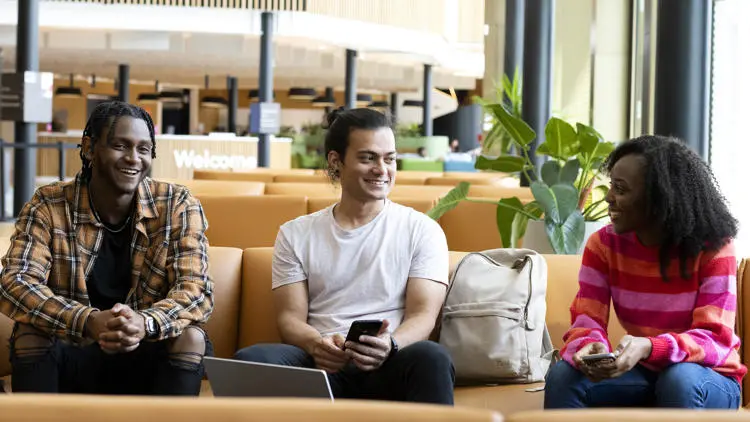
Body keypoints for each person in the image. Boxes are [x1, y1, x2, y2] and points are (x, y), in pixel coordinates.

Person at [234, 107, 455, 405]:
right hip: (322, 365)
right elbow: (289, 318)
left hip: (388, 362)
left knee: (432, 357)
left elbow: (423, 315)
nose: (382, 169)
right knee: (251, 359)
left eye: (389, 159)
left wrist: (390, 344)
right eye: (368, 158)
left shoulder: (422, 230)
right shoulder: (295, 233)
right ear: (336, 161)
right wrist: (316, 345)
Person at [0, 101, 214, 395]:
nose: (133, 158)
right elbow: (17, 282)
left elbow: (195, 291)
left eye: (143, 148)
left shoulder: (177, 205)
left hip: (148, 350)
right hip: (75, 349)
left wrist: (144, 322)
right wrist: (86, 321)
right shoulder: (49, 204)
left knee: (190, 337)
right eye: (120, 145)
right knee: (29, 334)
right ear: (89, 148)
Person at [544, 135, 745, 409]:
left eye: (621, 189)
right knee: (563, 376)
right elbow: (586, 319)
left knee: (679, 379)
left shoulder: (715, 248)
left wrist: (650, 347)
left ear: (658, 199)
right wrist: (590, 346)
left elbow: (714, 340)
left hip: (709, 378)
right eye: (611, 186)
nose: (608, 198)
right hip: (645, 373)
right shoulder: (604, 245)